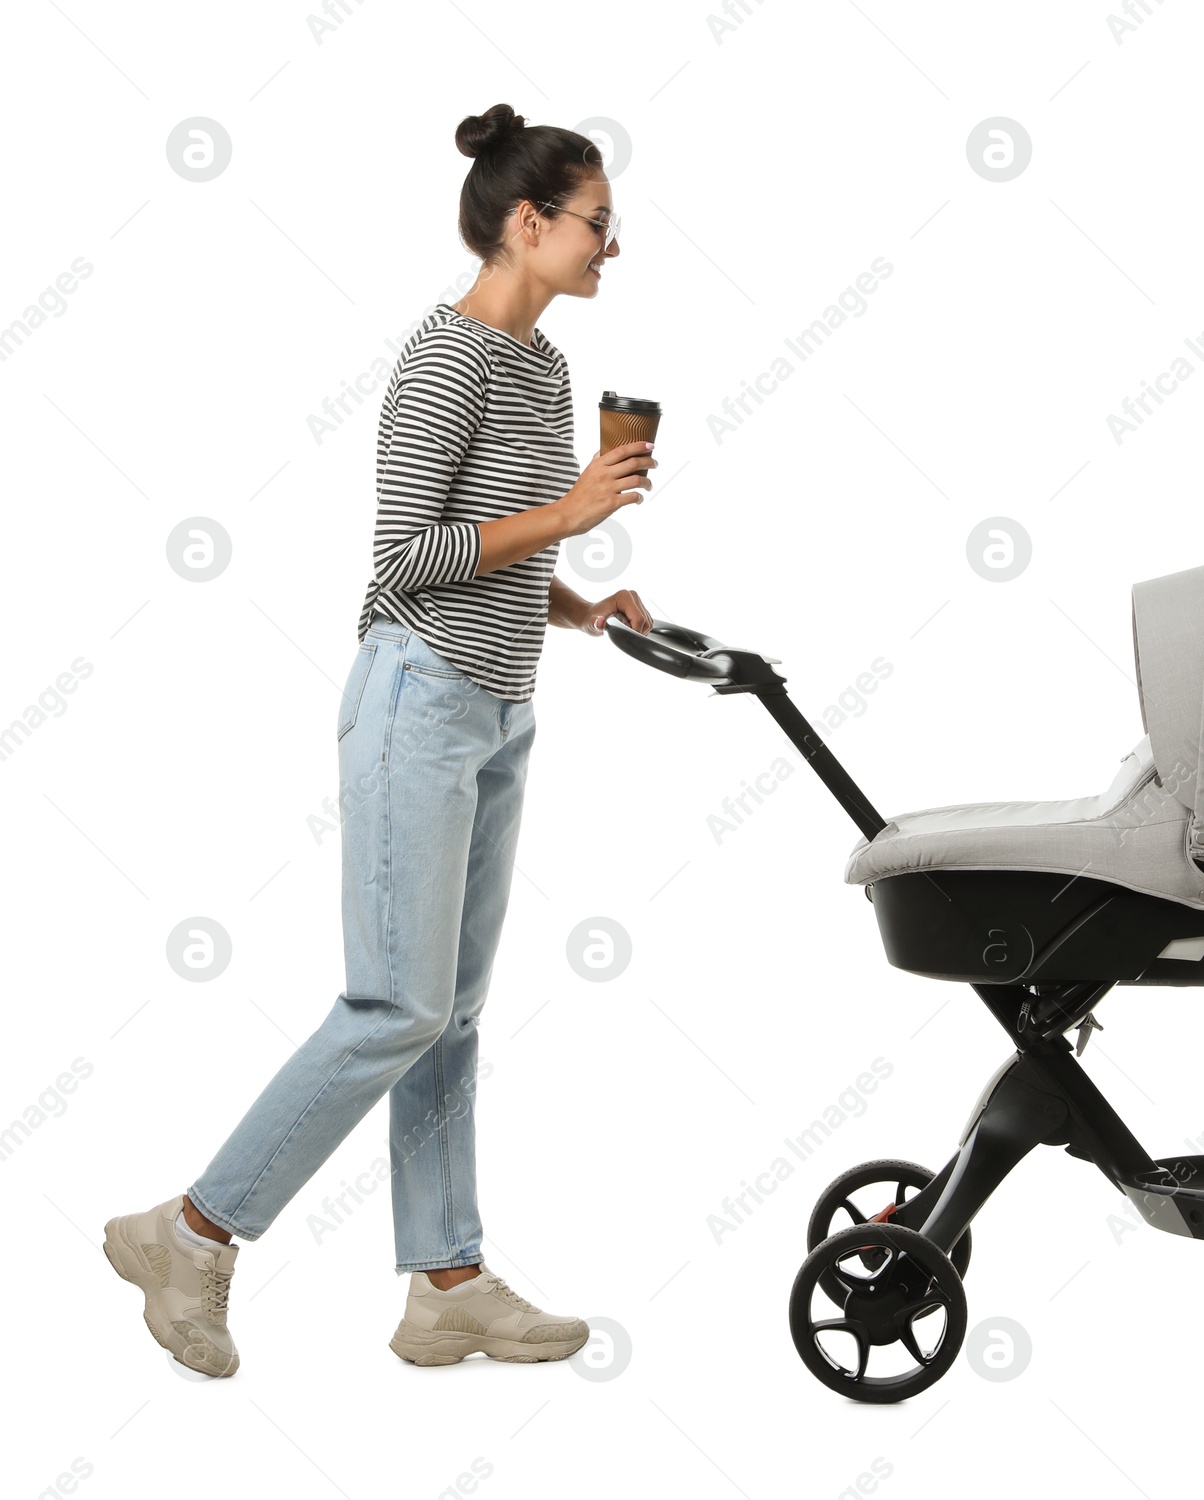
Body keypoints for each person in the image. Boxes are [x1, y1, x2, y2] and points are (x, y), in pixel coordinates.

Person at [102, 104, 658, 1378]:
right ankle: (186, 1233)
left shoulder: (543, 369)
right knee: (392, 1005)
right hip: (415, 699)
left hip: (501, 705)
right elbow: (406, 560)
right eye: (596, 225)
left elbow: (493, 548)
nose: (609, 249)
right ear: (529, 222)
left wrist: (579, 608)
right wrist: (574, 508)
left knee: (449, 1015)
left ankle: (446, 1284)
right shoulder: (447, 358)